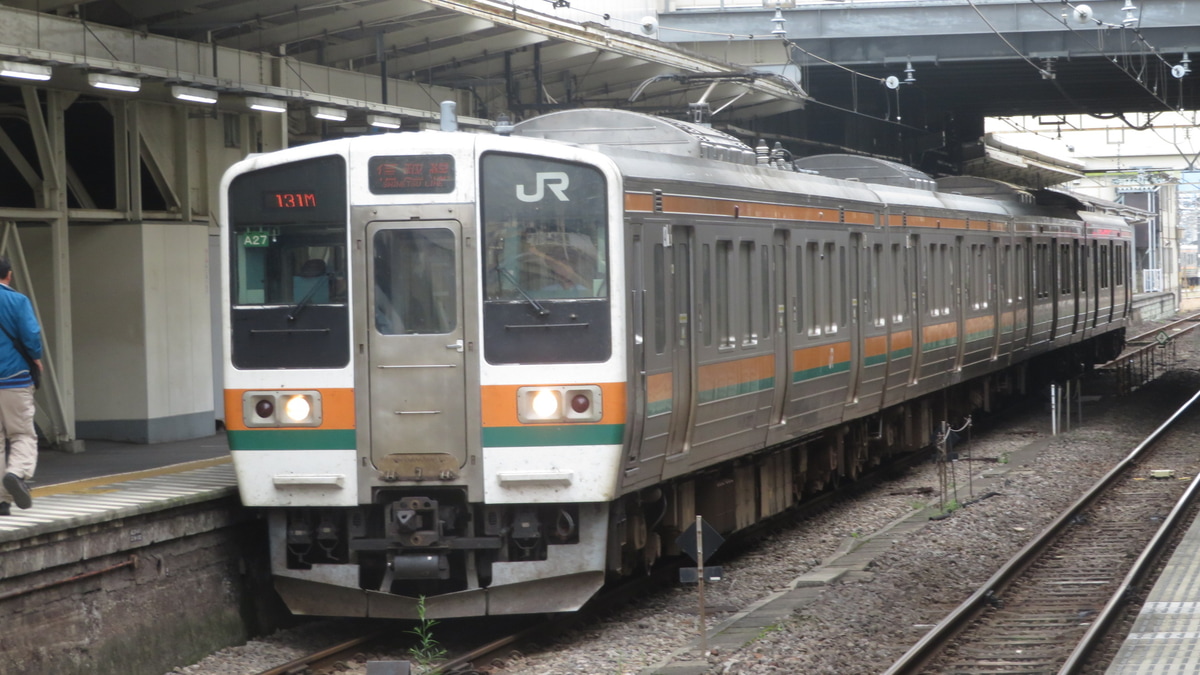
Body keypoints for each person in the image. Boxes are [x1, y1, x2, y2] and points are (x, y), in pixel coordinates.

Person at [0, 256, 42, 514]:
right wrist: (36, 358)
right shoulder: (17, 300)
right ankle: (16, 474)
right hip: (14, 379)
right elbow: (31, 335)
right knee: (22, 433)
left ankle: (1, 502)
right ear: (10, 275)